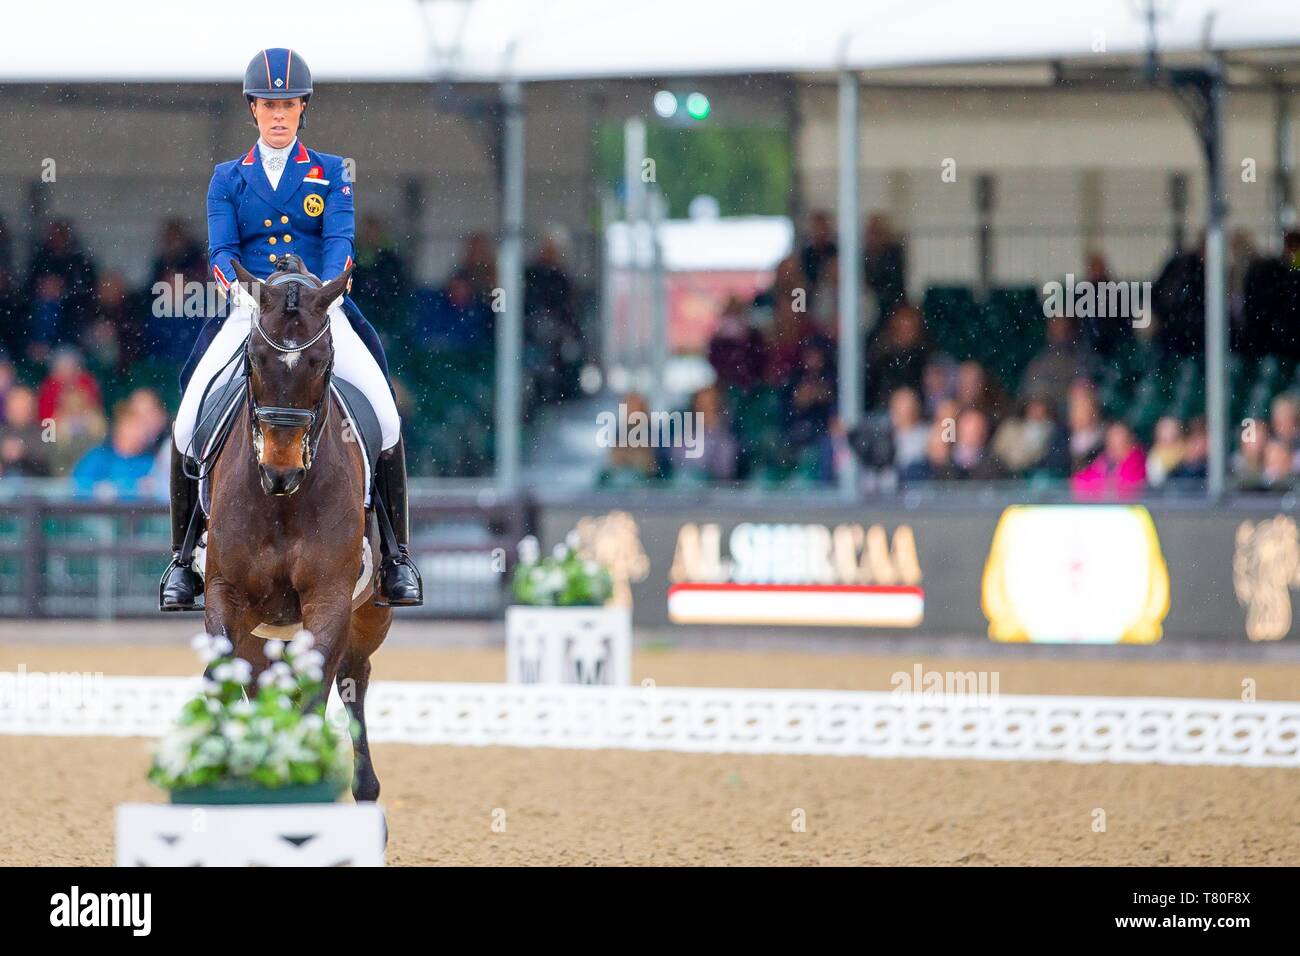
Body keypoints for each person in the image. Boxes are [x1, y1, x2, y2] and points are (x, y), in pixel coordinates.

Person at [162, 48, 421, 610]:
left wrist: (321, 294)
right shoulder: (228, 178)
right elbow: (224, 250)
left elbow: (338, 243)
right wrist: (251, 293)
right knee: (186, 424)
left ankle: (397, 556)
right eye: (269, 104)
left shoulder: (329, 172)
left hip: (317, 314)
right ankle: (183, 560)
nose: (279, 114)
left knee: (386, 415)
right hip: (251, 311)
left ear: (302, 108)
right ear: (253, 108)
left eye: (289, 104)